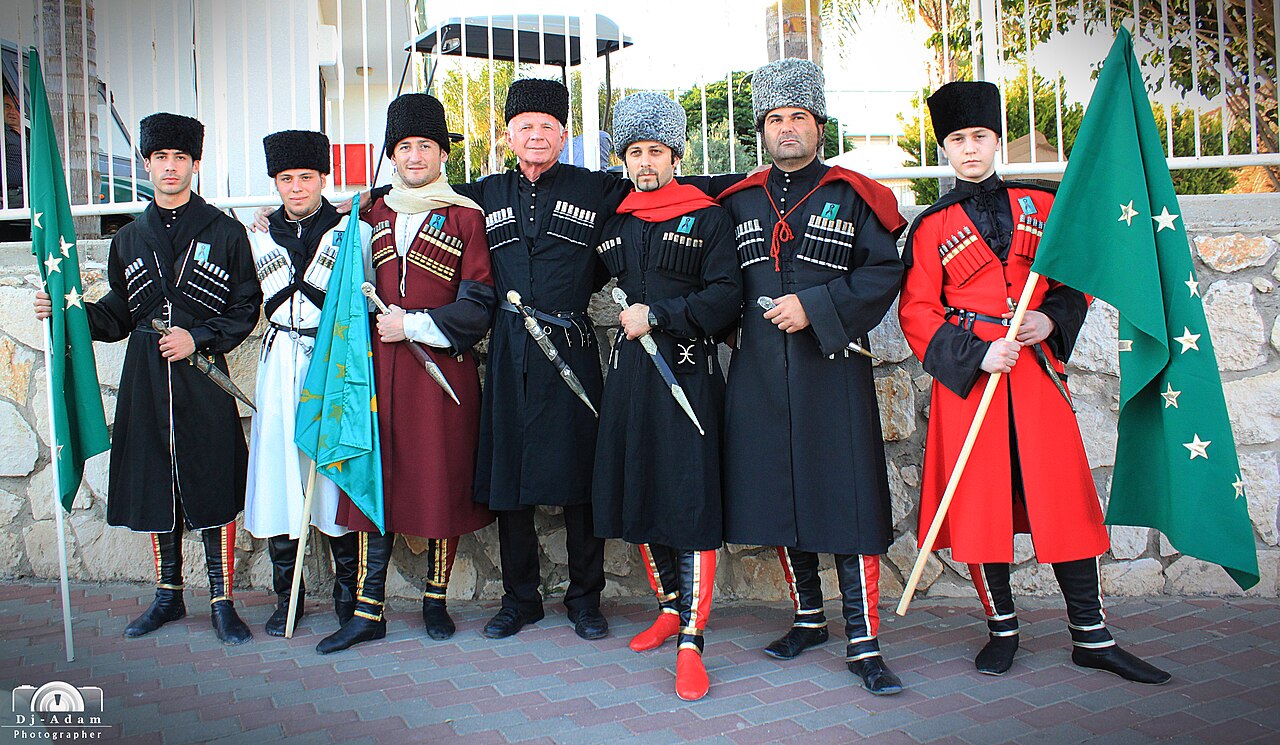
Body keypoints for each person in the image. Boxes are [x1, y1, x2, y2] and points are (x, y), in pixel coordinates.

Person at [897, 80, 1170, 684]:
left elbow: (1074, 281)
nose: (969, 149)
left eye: (979, 137)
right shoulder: (929, 226)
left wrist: (1054, 317)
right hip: (974, 381)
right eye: (957, 140)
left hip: (1036, 373)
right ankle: (1002, 630)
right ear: (945, 148)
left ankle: (1091, 635)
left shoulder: (1044, 205)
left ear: (996, 139)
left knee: (1063, 497)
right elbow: (917, 311)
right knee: (980, 506)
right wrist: (973, 355)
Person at [716, 59, 908, 695]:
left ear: (818, 125)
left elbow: (884, 274)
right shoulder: (738, 201)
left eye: (798, 116)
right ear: (761, 130)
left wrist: (816, 307)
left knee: (845, 498)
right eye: (775, 118)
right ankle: (807, 618)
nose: (787, 128)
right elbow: (718, 281)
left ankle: (864, 640)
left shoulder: (854, 194)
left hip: (832, 369)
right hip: (760, 375)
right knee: (779, 494)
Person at [36, 112, 261, 644]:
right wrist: (68, 315)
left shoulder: (225, 231)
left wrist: (198, 337)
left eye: (180, 158)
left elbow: (246, 306)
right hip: (145, 377)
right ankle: (167, 596)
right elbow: (117, 311)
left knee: (212, 478)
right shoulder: (129, 237)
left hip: (201, 376)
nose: (170, 167)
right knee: (156, 480)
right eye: (160, 158)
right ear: (147, 164)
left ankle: (222, 600)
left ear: (195, 164)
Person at [316, 93, 497, 654]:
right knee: (378, 480)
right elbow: (336, 279)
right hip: (375, 372)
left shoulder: (466, 216)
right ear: (391, 155)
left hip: (440, 371)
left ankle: (434, 602)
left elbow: (479, 302)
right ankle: (369, 610)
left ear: (443, 153)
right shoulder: (367, 213)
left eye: (425, 146)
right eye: (404, 147)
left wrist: (414, 325)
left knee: (439, 479)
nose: (415, 156)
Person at [592, 92, 741, 701]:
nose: (646, 163)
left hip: (688, 375)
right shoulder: (618, 220)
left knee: (691, 499)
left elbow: (726, 294)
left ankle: (693, 642)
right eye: (635, 152)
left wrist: (661, 313)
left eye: (656, 151)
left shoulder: (706, 217)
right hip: (631, 379)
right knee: (644, 487)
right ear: (623, 158)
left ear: (675, 155)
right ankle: (669, 609)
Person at [243, 129, 371, 637]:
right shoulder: (256, 232)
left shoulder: (349, 229)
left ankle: (347, 595)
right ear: (275, 181)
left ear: (323, 178)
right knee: (279, 468)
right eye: (286, 178)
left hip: (330, 358)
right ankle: (287, 596)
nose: (296, 187)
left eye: (306, 177)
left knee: (332, 471)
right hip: (279, 360)